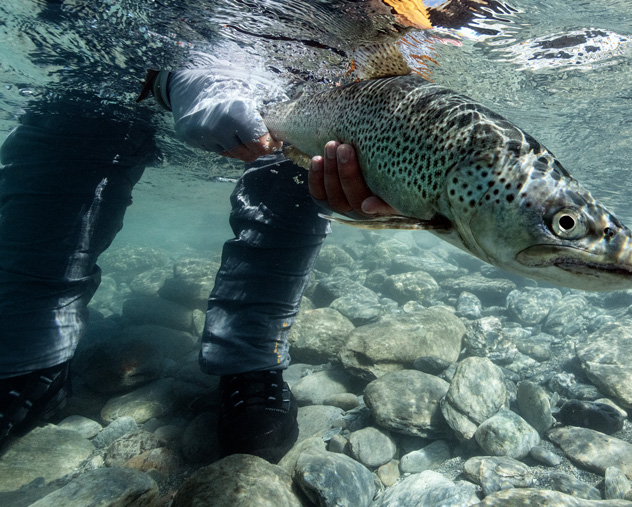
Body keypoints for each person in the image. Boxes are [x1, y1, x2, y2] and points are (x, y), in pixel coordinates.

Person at [0, 64, 395, 461]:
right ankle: (28, 329)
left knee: (296, 169)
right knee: (84, 104)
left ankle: (250, 352)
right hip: (131, 38)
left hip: (306, 76)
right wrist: (168, 75)